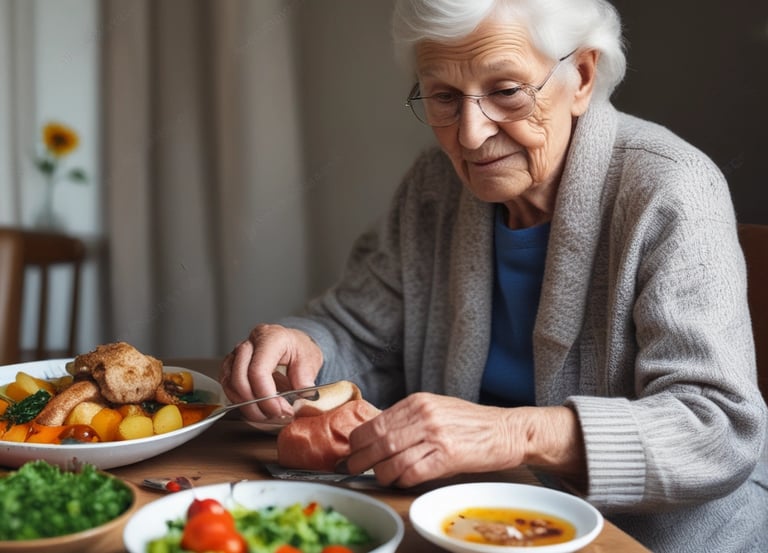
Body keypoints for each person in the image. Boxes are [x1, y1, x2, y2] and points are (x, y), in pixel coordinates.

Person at [220, 1, 768, 551]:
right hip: (478, 523)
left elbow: (717, 428)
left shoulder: (671, 189)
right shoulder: (434, 185)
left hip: (655, 539)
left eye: (506, 91)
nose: (471, 135)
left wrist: (513, 431)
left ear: (581, 76)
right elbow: (362, 334)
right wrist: (303, 346)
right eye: (443, 96)